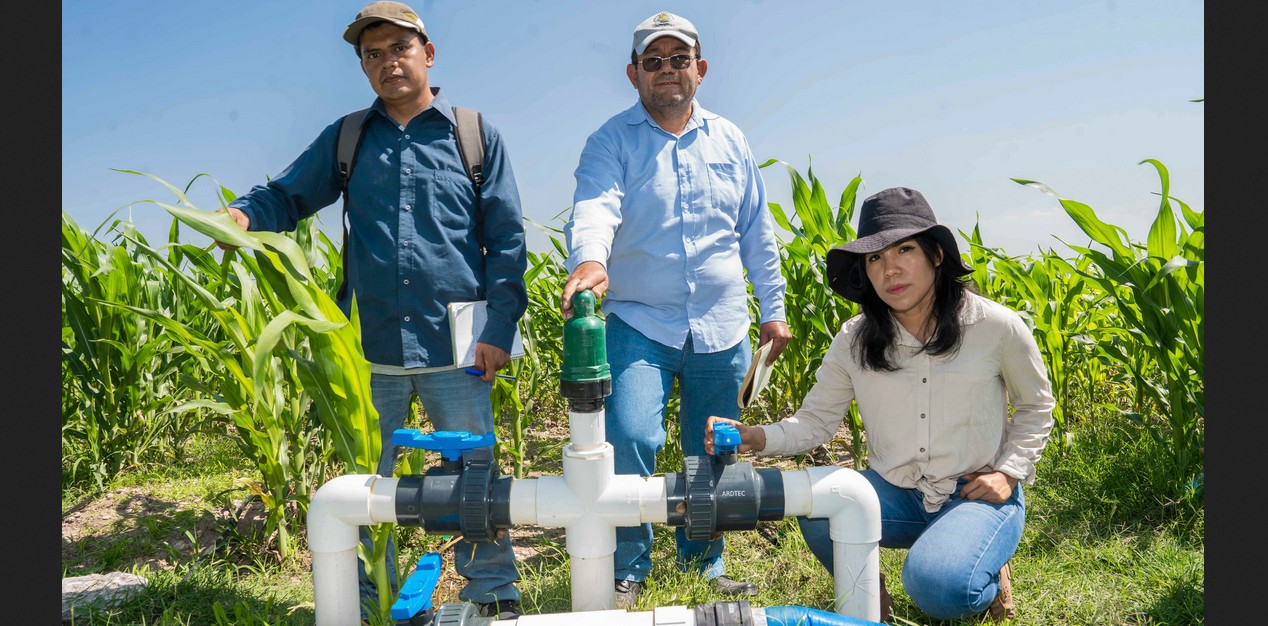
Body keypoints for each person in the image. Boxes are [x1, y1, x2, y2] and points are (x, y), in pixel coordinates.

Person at [214, 1, 527, 619]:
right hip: (369, 349)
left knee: (475, 475)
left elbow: (509, 240)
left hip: (456, 347)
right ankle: (369, 595)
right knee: (366, 479)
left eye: (399, 49)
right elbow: (287, 194)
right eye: (372, 54)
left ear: (428, 54)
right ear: (363, 66)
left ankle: (492, 593)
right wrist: (246, 217)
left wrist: (499, 328)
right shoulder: (349, 137)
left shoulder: (472, 133)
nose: (388, 63)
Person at [705, 187, 1055, 622]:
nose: (890, 269)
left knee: (936, 586)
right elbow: (814, 423)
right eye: (874, 258)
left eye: (905, 250)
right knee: (818, 506)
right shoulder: (854, 339)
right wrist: (752, 437)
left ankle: (980, 571)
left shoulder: (995, 326)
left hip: (976, 493)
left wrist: (1008, 472)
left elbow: (1036, 407)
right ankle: (870, 598)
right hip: (897, 492)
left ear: (937, 255)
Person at [559, 10, 793, 609]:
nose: (668, 71)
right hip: (640, 319)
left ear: (701, 69)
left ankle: (704, 560)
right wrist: (590, 259)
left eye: (679, 59)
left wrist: (775, 307)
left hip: (723, 324)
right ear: (633, 74)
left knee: (714, 447)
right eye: (654, 61)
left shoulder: (731, 139)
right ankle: (629, 568)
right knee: (630, 434)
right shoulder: (611, 141)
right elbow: (595, 205)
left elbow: (756, 234)